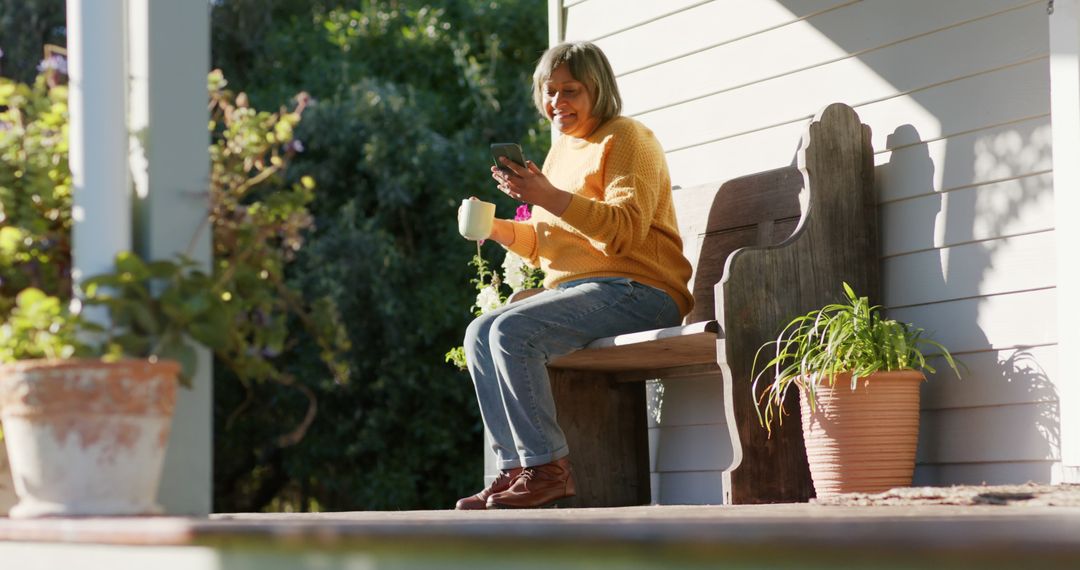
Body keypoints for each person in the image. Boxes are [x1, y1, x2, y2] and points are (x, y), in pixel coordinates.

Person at [456, 41, 693, 510]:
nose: (557, 103)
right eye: (550, 91)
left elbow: (624, 231)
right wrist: (497, 228)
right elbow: (551, 248)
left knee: (511, 329)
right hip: (589, 290)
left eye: (571, 91)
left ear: (597, 91)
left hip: (642, 290)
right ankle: (514, 470)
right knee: (479, 331)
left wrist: (547, 196)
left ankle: (548, 470)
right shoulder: (561, 152)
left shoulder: (626, 139)